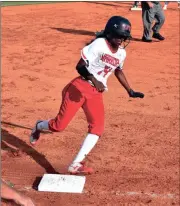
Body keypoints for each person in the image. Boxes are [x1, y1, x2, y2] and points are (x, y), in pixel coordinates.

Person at [30, 16, 144, 175]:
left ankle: (76, 164)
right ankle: (38, 126)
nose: (121, 40)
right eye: (118, 36)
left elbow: (118, 70)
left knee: (97, 128)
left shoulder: (121, 54)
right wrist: (93, 79)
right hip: (78, 88)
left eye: (123, 37)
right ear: (109, 33)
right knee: (58, 126)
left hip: (95, 93)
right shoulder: (99, 44)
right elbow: (80, 66)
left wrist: (130, 90)